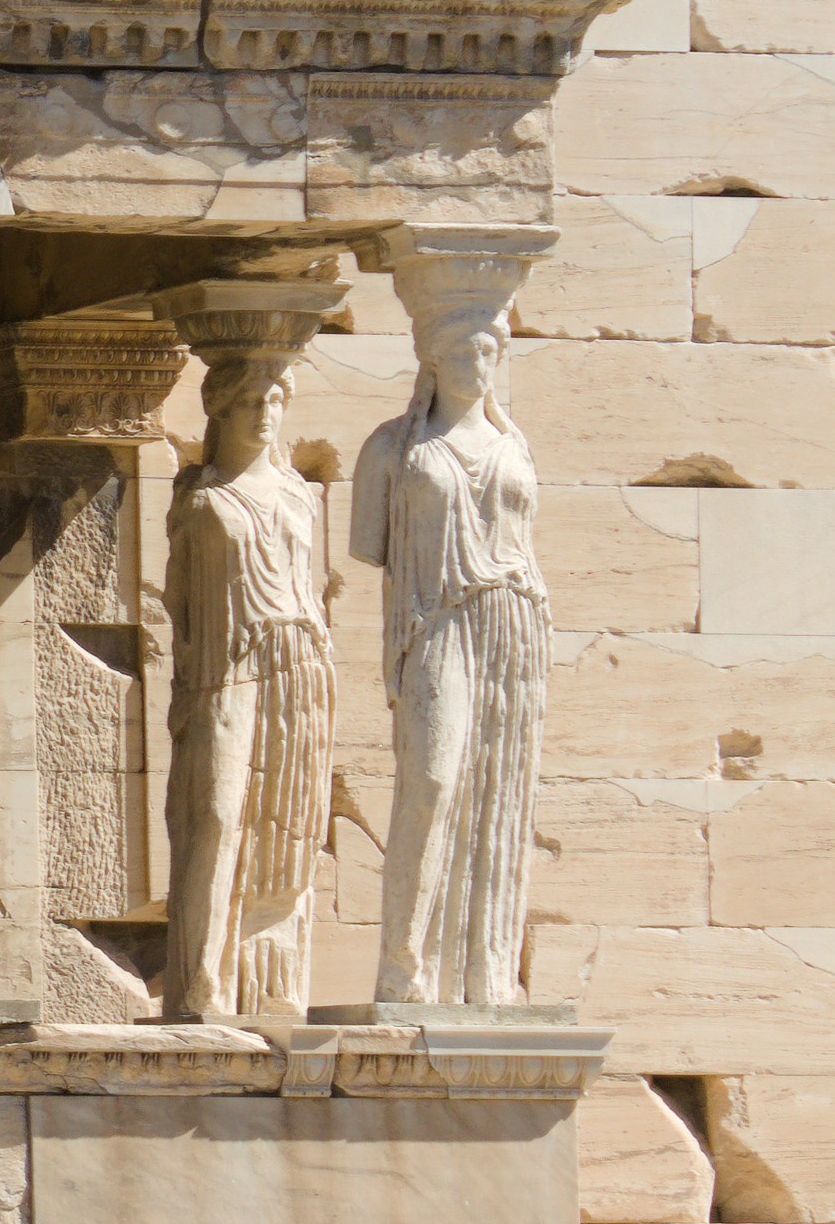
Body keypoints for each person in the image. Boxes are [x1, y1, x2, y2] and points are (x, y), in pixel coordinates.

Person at [351, 298, 550, 1009]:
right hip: (434, 624)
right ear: (432, 357)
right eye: (463, 349)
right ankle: (404, 965)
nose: (479, 361)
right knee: (433, 779)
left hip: (513, 622)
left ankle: (481, 974)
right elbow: (369, 545)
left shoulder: (513, 447)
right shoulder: (392, 450)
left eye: (490, 348)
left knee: (495, 790)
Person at [164, 353, 334, 1025]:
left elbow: (308, 584)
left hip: (300, 662)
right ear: (221, 410)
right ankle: (201, 982)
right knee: (217, 815)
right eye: (249, 402)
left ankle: (270, 985)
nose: (265, 415)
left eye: (274, 401)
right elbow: (178, 600)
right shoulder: (200, 499)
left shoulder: (299, 495)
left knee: (285, 823)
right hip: (223, 669)